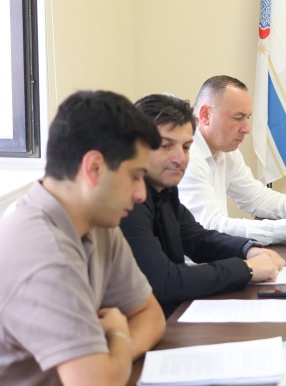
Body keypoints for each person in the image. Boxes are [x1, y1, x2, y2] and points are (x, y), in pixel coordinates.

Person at [0, 91, 165, 386]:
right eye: (135, 176)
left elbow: (150, 314)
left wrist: (115, 353)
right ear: (94, 168)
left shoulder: (100, 224)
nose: (141, 194)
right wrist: (119, 334)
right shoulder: (43, 254)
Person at [120, 94, 286, 317]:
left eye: (186, 147)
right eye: (166, 146)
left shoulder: (165, 188)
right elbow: (165, 282)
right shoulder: (126, 201)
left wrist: (248, 250)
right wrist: (246, 269)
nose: (180, 159)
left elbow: (198, 240)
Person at [179, 76, 286, 244]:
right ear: (205, 115)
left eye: (247, 117)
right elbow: (212, 227)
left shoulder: (227, 151)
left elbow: (255, 198)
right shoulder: (185, 156)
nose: (246, 129)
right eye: (238, 118)